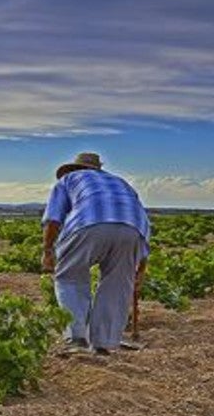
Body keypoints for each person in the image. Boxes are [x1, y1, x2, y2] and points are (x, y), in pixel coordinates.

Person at [40, 152, 150, 355]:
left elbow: (53, 218)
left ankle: (77, 338)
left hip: (88, 223)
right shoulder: (122, 183)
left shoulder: (68, 179)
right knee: (117, 285)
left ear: (75, 169)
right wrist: (140, 269)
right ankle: (104, 342)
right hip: (133, 231)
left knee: (69, 277)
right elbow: (143, 222)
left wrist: (47, 251)